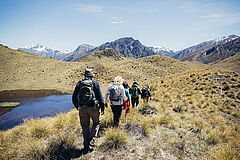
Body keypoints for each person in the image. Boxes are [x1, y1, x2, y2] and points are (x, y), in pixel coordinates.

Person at [72, 69, 105, 153]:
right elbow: (101, 98)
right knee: (96, 123)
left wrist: (78, 107)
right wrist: (102, 108)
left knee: (85, 127)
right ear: (92, 76)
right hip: (93, 108)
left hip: (82, 108)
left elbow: (74, 97)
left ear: (84, 75)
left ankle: (86, 146)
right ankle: (92, 140)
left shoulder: (79, 83)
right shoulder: (95, 83)